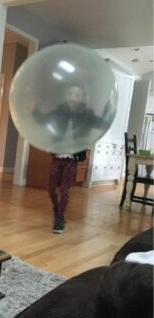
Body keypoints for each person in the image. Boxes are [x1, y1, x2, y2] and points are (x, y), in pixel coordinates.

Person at [34, 85, 110, 233]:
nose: (73, 97)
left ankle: (60, 218)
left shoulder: (87, 114)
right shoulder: (59, 111)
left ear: (82, 98)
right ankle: (57, 209)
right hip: (58, 155)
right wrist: (35, 108)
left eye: (77, 94)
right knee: (50, 186)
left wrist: (108, 111)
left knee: (64, 188)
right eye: (70, 93)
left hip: (72, 158)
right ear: (66, 96)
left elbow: (100, 124)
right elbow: (43, 120)